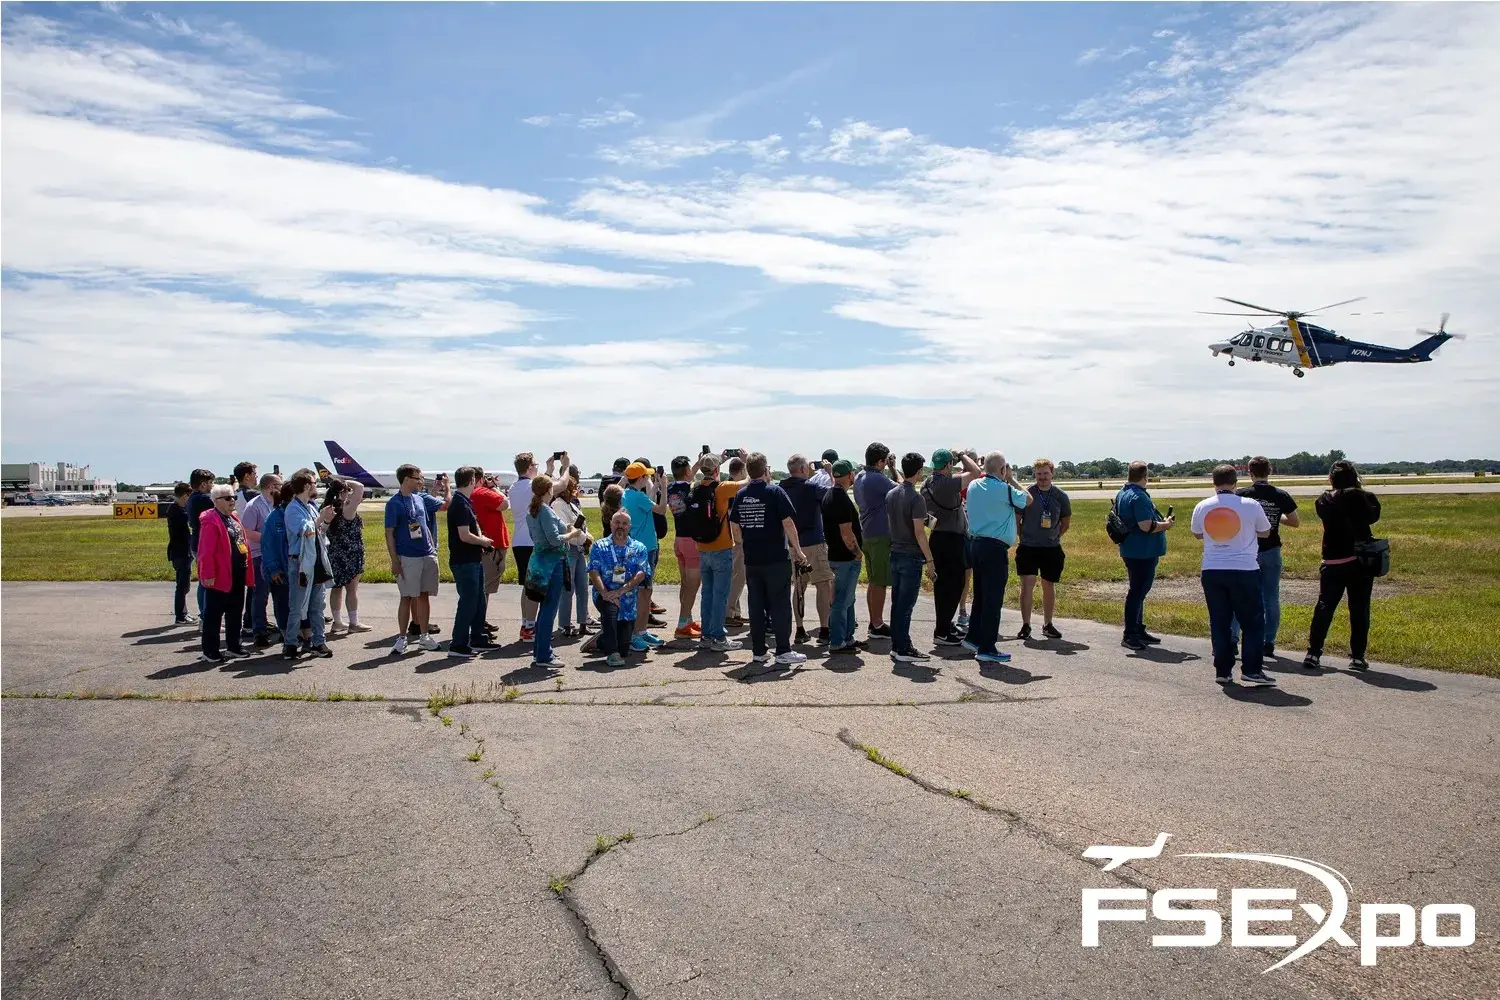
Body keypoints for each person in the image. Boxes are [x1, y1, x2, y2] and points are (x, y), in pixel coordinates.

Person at [1191, 465, 1276, 686]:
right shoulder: (1251, 505)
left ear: (1213, 483)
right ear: (1235, 482)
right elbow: (1265, 531)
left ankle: (1222, 670)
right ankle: (1252, 669)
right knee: (1252, 621)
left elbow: (1197, 534)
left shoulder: (1202, 506)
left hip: (1212, 569)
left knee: (1220, 621)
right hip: (1244, 569)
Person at [728, 452, 808, 666]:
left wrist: (743, 541)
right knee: (780, 604)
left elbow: (734, 525)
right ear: (765, 470)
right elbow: (788, 523)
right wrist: (798, 550)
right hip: (775, 558)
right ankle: (783, 650)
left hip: (752, 559)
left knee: (756, 605)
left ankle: (759, 650)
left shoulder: (741, 494)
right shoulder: (774, 491)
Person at [1305, 460, 1381, 672]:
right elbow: (1373, 517)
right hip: (1359, 561)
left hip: (1332, 560)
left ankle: (1313, 653)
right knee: (1359, 609)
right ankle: (1357, 657)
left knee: (1324, 607)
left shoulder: (1323, 500)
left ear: (1331, 479)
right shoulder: (1364, 497)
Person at [963, 452, 1030, 664]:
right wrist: (1011, 479)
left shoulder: (974, 485)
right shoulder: (1004, 489)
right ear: (1003, 469)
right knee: (993, 599)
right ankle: (987, 647)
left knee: (981, 595)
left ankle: (973, 637)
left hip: (976, 544)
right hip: (994, 548)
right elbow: (1028, 499)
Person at [1232, 456, 1300, 657]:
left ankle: (1233, 639)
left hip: (1247, 551)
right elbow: (1295, 521)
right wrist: (1276, 518)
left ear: (1250, 473)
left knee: (1239, 596)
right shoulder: (1280, 495)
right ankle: (1268, 641)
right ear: (1269, 471)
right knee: (1271, 597)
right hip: (1271, 549)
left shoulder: (1241, 494)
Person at [384, 464, 449, 655]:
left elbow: (425, 525)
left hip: (426, 554)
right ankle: (402, 638)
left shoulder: (419, 499)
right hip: (407, 557)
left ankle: (424, 636)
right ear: (406, 479)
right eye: (417, 478)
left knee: (423, 596)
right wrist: (395, 560)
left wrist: (431, 549)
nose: (421, 481)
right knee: (406, 597)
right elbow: (389, 534)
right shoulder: (394, 503)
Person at [524, 474, 587, 668]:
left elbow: (542, 534)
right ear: (548, 490)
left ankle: (540, 651)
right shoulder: (545, 510)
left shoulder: (533, 510)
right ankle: (544, 655)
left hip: (540, 562)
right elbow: (554, 540)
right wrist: (573, 534)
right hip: (553, 563)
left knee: (544, 608)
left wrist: (566, 528)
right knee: (549, 608)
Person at [924, 448, 983, 645]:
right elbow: (976, 472)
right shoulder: (949, 483)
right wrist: (961, 455)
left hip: (937, 536)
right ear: (949, 464)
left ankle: (944, 624)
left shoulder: (927, 483)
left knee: (942, 585)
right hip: (951, 539)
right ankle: (942, 631)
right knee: (956, 584)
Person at [885, 452, 937, 663]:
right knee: (906, 606)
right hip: (910, 556)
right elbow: (919, 533)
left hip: (895, 552)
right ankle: (903, 647)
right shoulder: (917, 499)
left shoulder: (891, 494)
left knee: (897, 603)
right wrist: (930, 560)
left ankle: (897, 645)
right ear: (919, 471)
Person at [1116, 461, 1173, 650]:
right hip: (1142, 551)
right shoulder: (1139, 496)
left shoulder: (1123, 492)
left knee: (1138, 592)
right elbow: (1146, 526)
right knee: (1137, 592)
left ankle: (1138, 629)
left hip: (1132, 549)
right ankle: (1130, 634)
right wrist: (1166, 524)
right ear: (1145, 476)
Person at [1016, 458, 1073, 640]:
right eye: (1039, 474)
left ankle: (1048, 624)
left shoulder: (1060, 496)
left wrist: (1055, 536)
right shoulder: (1027, 494)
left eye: (1045, 473)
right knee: (1027, 585)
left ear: (1052, 473)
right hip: (1028, 547)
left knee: (1048, 585)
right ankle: (1026, 625)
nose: (1042, 478)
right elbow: (1017, 520)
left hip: (1051, 548)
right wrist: (1023, 536)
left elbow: (1065, 522)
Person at [197, 485, 253, 662]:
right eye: (227, 498)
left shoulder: (233, 518)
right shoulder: (211, 521)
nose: (232, 501)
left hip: (237, 573)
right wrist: (208, 574)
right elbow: (206, 551)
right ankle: (210, 650)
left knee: (235, 612)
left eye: (233, 497)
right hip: (220, 575)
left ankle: (234, 646)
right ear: (216, 501)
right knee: (213, 615)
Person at [780, 454, 832, 644]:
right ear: (803, 469)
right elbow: (834, 494)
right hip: (814, 541)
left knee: (799, 588)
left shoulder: (781, 488)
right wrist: (830, 473)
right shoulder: (811, 487)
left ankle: (800, 629)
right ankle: (824, 629)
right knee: (823, 585)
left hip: (793, 545)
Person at [690, 454, 741, 653]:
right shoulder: (722, 488)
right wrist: (743, 460)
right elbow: (747, 481)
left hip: (703, 548)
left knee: (707, 594)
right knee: (720, 596)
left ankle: (706, 636)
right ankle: (719, 637)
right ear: (717, 470)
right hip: (721, 547)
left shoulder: (696, 487)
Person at [588, 510, 651, 667]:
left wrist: (620, 591)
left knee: (624, 648)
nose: (620, 526)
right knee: (610, 610)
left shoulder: (639, 548)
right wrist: (605, 593)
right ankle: (612, 654)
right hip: (604, 594)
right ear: (611, 524)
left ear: (630, 526)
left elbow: (641, 574)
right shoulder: (599, 546)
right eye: (617, 522)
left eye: (624, 523)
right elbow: (593, 571)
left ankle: (600, 641)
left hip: (628, 599)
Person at [446, 466, 498, 658]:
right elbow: (464, 535)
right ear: (471, 481)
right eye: (477, 480)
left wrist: (481, 541)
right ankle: (458, 644)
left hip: (473, 559)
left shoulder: (466, 502)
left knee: (478, 600)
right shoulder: (460, 504)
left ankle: (477, 637)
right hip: (464, 561)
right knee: (468, 601)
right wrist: (482, 541)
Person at [284, 470, 334, 659]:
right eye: (313, 483)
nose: (316, 486)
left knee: (317, 606)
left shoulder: (311, 507)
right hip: (300, 563)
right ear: (306, 486)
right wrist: (320, 519)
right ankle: (290, 644)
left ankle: (319, 642)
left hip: (316, 562)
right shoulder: (292, 509)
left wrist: (326, 520)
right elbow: (305, 530)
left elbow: (320, 532)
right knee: (297, 606)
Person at [621, 462, 668, 651]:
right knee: (644, 592)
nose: (647, 478)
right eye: (646, 476)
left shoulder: (627, 494)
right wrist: (664, 488)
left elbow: (645, 504)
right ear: (640, 478)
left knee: (641, 591)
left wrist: (654, 487)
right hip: (645, 549)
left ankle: (640, 630)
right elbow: (661, 509)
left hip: (636, 547)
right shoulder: (638, 496)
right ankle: (637, 633)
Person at [821, 460, 864, 654]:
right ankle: (838, 641)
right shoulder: (841, 499)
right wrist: (857, 553)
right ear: (849, 475)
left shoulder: (830, 494)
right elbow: (846, 532)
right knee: (841, 600)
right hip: (845, 558)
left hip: (836, 555)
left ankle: (848, 637)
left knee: (848, 599)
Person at [854, 443, 894, 638]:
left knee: (873, 581)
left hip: (867, 533)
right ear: (880, 461)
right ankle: (877, 624)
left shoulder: (860, 476)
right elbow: (902, 490)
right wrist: (894, 469)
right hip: (880, 535)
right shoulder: (878, 478)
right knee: (880, 582)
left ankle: (874, 621)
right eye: (885, 461)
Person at [239, 472, 284, 647]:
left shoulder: (277, 504)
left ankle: (283, 629)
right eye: (279, 486)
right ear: (271, 487)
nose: (281, 489)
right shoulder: (254, 506)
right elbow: (247, 531)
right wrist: (269, 539)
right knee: (260, 595)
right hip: (259, 555)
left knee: (280, 595)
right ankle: (259, 631)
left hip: (277, 555)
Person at [551, 469, 595, 637]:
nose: (576, 491)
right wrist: (585, 538)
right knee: (567, 589)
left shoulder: (573, 504)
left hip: (580, 550)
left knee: (583, 587)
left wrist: (588, 537)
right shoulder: (558, 505)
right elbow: (567, 529)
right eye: (573, 488)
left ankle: (583, 622)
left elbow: (582, 525)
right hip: (568, 550)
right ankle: (564, 624)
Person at [665, 455, 705, 640]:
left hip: (679, 539)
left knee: (685, 584)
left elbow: (685, 477)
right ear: (688, 471)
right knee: (692, 587)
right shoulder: (692, 488)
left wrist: (696, 464)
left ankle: (687, 619)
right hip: (692, 541)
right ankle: (682, 624)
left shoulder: (671, 488)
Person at [323, 477, 369, 635]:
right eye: (346, 491)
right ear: (341, 493)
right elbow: (360, 487)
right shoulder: (347, 509)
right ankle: (353, 622)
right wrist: (344, 481)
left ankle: (337, 622)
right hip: (351, 554)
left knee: (336, 589)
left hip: (334, 553)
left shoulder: (327, 508)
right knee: (352, 589)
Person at [470, 470, 511, 637]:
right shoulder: (482, 492)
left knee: (484, 588)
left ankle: (480, 620)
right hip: (492, 545)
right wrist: (494, 487)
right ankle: (478, 624)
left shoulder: (474, 494)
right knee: (485, 588)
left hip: (487, 543)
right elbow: (505, 503)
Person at [508, 453, 541, 642]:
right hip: (531, 542)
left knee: (526, 587)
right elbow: (559, 485)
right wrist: (566, 467)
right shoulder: (531, 485)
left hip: (519, 541)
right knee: (534, 588)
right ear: (529, 468)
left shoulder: (514, 487)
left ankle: (526, 624)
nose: (537, 468)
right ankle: (530, 627)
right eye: (535, 465)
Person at [259, 481, 294, 641]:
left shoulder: (297, 514)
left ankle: (296, 634)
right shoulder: (274, 518)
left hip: (294, 568)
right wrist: (273, 569)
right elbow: (268, 545)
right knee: (282, 604)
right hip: (280, 571)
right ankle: (286, 635)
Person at [232, 461, 259, 637]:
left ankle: (252, 619)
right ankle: (250, 621)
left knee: (252, 586)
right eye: (255, 474)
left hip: (243, 542)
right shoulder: (251, 494)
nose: (257, 477)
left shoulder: (238, 493)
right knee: (255, 587)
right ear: (247, 476)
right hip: (253, 543)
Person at [723, 454, 750, 626]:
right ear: (741, 471)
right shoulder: (735, 489)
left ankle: (735, 612)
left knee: (736, 575)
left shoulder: (726, 485)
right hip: (736, 538)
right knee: (739, 577)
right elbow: (732, 517)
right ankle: (728, 613)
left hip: (730, 537)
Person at [186, 468, 216, 621]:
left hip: (196, 541)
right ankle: (206, 617)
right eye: (211, 483)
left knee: (203, 581)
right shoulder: (204, 499)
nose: (212, 486)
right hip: (203, 543)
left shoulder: (192, 498)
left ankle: (204, 616)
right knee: (207, 581)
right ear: (203, 484)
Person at [166, 482, 196, 625]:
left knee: (184, 585)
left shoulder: (176, 509)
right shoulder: (178, 511)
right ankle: (180, 616)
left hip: (182, 551)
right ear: (185, 496)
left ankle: (183, 613)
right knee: (182, 585)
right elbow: (191, 520)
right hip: (181, 552)